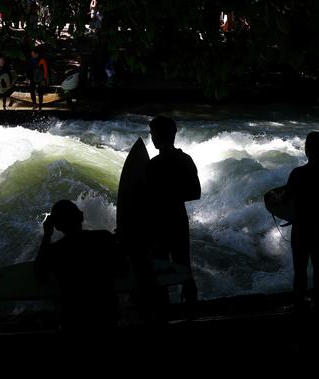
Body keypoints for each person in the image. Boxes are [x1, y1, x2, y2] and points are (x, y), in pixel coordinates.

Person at [35, 200, 126, 332]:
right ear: (81, 216)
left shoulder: (55, 251)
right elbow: (124, 270)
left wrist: (47, 235)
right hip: (107, 315)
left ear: (57, 226)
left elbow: (39, 274)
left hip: (74, 320)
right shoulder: (104, 238)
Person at [145, 116, 201, 309]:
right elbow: (195, 192)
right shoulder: (185, 159)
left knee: (159, 269)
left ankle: (164, 314)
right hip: (177, 218)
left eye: (152, 134)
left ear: (159, 135)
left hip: (160, 222)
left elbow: (146, 198)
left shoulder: (154, 165)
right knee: (184, 267)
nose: (151, 137)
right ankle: (192, 311)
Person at [284, 131, 319, 309]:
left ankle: (299, 302)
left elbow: (286, 199)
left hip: (301, 226)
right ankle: (317, 300)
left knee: (300, 268)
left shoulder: (298, 173)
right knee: (318, 264)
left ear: (306, 149)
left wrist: (274, 201)